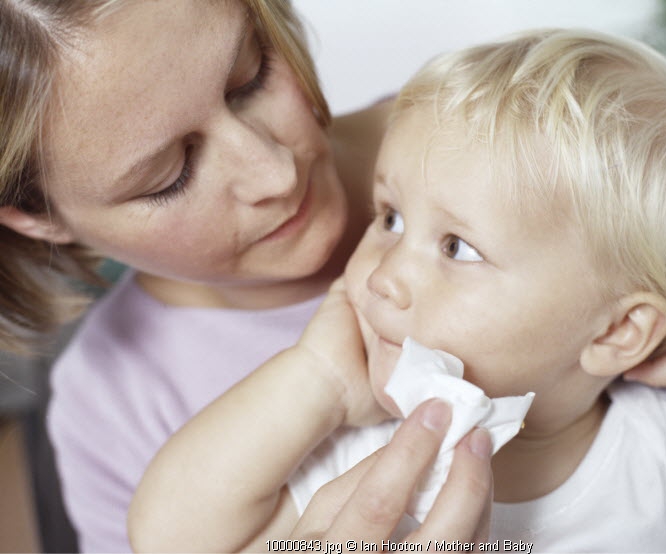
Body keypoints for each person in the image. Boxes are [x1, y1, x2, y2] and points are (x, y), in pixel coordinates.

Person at [130, 28, 666, 552]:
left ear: (615, 332)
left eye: (457, 247)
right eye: (389, 218)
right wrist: (320, 381)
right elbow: (168, 535)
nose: (383, 275)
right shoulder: (359, 459)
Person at [0, 1, 495, 551]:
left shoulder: (499, 132)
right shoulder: (112, 406)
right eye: (170, 177)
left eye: (250, 77)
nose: (276, 173)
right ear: (38, 216)